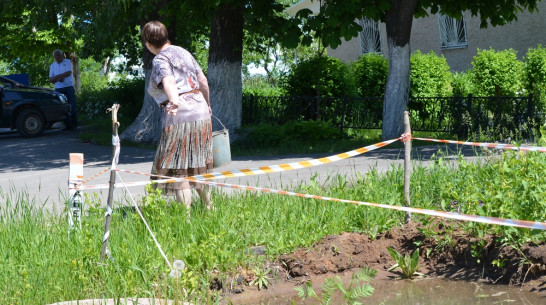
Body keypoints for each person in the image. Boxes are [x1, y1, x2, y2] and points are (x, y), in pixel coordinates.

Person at [142, 21, 214, 216]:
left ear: (148, 43)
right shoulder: (183, 52)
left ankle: (186, 219)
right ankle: (209, 207)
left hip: (179, 115)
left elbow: (169, 81)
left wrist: (174, 100)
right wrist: (207, 104)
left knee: (179, 168)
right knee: (197, 163)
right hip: (201, 112)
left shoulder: (160, 59)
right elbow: (203, 81)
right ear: (166, 36)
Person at [49, 49, 78, 130]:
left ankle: (74, 125)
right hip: (58, 89)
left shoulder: (67, 62)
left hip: (68, 87)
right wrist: (58, 78)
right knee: (62, 107)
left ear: (62, 55)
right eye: (56, 55)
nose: (58, 57)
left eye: (59, 55)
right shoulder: (52, 66)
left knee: (72, 105)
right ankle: (68, 125)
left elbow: (68, 72)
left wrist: (57, 76)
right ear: (54, 57)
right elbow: (50, 79)